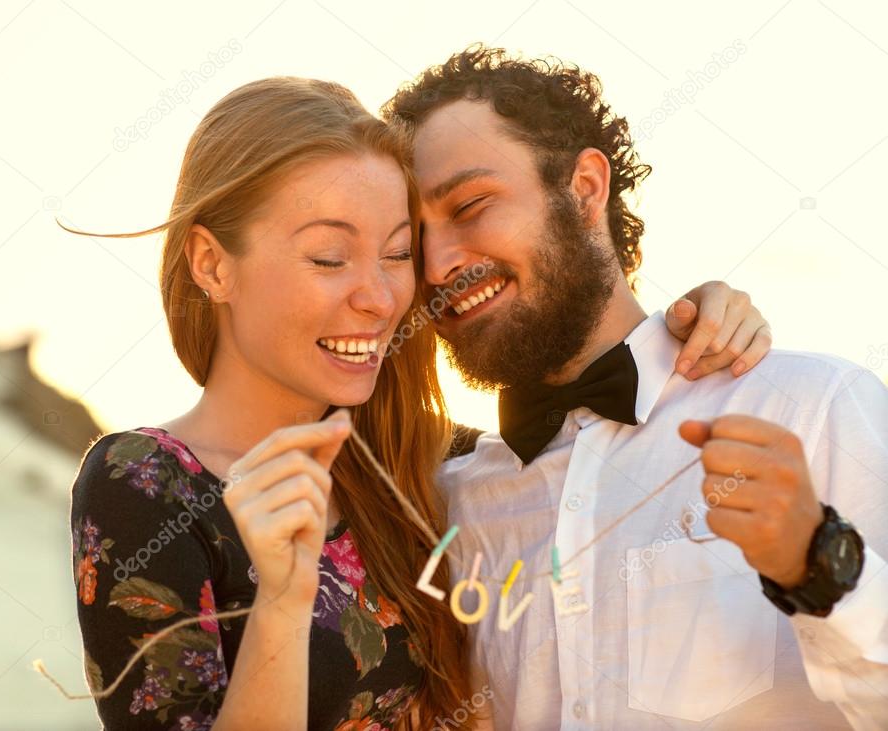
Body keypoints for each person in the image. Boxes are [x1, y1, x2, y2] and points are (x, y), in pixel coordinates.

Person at [66, 76, 772, 730]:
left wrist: (695, 319)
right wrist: (281, 604)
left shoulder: (435, 463)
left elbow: (596, 460)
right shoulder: (145, 484)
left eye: (398, 254)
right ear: (212, 263)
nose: (378, 298)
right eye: (328, 257)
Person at [383, 45, 888, 730]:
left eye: (469, 205)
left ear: (585, 188)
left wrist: (818, 562)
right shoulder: (447, 504)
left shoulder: (813, 407)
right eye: (412, 242)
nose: (439, 263)